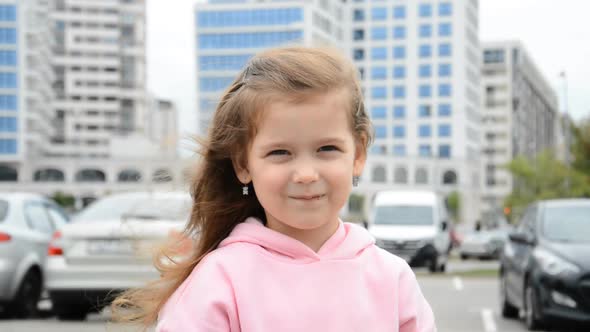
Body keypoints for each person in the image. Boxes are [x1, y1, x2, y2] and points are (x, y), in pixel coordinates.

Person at [111, 46, 436, 331]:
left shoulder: (391, 278)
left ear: (359, 154)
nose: (306, 174)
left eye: (327, 149)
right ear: (243, 164)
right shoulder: (220, 280)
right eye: (280, 152)